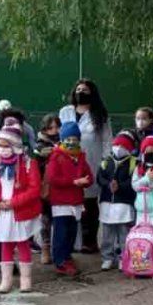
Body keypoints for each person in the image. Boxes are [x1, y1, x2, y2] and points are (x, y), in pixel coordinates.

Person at [0, 121, 42, 294]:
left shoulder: (29, 163)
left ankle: (25, 279)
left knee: (22, 243)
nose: (2, 149)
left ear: (16, 146)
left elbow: (34, 188)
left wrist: (14, 202)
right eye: (0, 146)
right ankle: (6, 280)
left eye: (6, 146)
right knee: (5, 244)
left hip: (20, 211)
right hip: (2, 211)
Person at [59, 78, 112, 254]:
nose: (81, 92)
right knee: (70, 202)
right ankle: (73, 241)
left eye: (85, 90)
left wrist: (105, 163)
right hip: (68, 163)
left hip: (92, 162)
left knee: (89, 205)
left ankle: (90, 241)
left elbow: (107, 141)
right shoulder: (65, 112)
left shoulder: (100, 114)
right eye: (78, 89)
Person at [47, 122, 94, 277]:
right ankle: (60, 261)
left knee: (72, 233)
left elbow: (89, 177)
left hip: (76, 202)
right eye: (68, 138)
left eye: (75, 138)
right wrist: (74, 182)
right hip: (60, 202)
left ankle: (67, 257)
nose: (71, 141)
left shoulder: (80, 156)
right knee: (61, 233)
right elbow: (53, 179)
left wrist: (85, 181)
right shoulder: (56, 156)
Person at [97, 132, 138, 270]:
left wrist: (119, 186)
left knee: (123, 233)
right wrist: (108, 184)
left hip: (124, 203)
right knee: (107, 234)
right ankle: (107, 257)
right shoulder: (106, 161)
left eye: (123, 145)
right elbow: (100, 177)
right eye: (117, 144)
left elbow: (132, 181)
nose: (119, 148)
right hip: (107, 203)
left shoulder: (133, 162)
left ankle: (123, 257)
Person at [34, 114, 61, 264]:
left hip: (61, 186)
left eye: (57, 127)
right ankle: (45, 248)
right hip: (45, 186)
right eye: (50, 127)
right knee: (45, 219)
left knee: (59, 219)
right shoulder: (39, 145)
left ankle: (58, 249)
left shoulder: (65, 141)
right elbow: (36, 166)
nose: (54, 130)